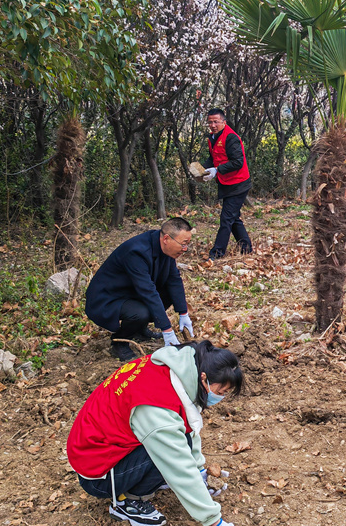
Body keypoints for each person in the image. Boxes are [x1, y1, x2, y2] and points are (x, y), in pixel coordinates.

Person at [66, 341, 248, 526]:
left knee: (178, 444)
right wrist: (216, 522)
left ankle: (140, 479)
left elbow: (188, 420)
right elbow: (177, 465)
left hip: (103, 446)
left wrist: (200, 472)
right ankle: (127, 502)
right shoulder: (156, 407)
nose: (221, 398)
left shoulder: (180, 369)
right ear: (204, 379)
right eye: (221, 391)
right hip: (98, 473)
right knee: (166, 453)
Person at [85, 218, 195, 361]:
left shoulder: (166, 249)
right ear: (167, 238)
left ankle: (139, 330)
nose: (185, 249)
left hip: (131, 291)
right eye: (183, 244)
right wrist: (167, 330)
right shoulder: (136, 252)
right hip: (108, 297)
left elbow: (174, 279)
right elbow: (148, 291)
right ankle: (120, 341)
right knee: (140, 313)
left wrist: (183, 313)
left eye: (187, 244)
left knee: (168, 293)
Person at [201, 108, 252, 260]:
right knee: (233, 218)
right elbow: (213, 157)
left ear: (224, 122)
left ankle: (217, 253)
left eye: (216, 121)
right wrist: (203, 170)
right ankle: (246, 248)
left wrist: (217, 170)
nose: (213, 125)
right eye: (210, 122)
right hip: (226, 182)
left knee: (226, 218)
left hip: (239, 183)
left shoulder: (231, 138)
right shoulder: (213, 137)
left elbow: (238, 162)